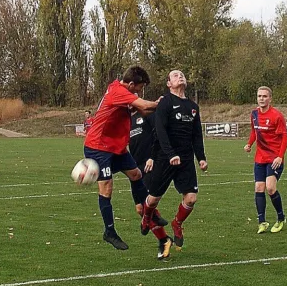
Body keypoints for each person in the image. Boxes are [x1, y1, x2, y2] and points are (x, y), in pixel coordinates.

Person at [84, 66, 164, 251]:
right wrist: (161, 103)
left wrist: (162, 107)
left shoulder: (123, 91)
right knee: (106, 188)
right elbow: (144, 106)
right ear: (130, 84)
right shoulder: (118, 91)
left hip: (116, 147)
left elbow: (144, 112)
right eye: (139, 88)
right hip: (99, 147)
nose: (139, 92)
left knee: (136, 174)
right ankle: (109, 231)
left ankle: (148, 213)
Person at [140, 70, 208, 251]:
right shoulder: (165, 103)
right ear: (169, 84)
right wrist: (170, 154)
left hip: (185, 158)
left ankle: (177, 223)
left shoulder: (193, 106)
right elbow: (160, 132)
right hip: (165, 157)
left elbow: (196, 135)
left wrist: (201, 158)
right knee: (153, 200)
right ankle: (147, 217)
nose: (181, 76)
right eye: (175, 75)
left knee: (191, 198)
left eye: (182, 75)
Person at [244, 86, 287, 234]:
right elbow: (254, 131)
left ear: (270, 98)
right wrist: (249, 144)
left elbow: (284, 137)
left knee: (270, 187)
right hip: (260, 158)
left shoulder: (277, 116)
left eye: (264, 96)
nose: (261, 98)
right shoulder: (254, 114)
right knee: (258, 188)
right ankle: (262, 222)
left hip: (274, 158)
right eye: (259, 96)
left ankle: (281, 218)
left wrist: (280, 156)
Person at [129, 109, 172, 260]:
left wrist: (152, 157)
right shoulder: (125, 119)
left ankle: (163, 239)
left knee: (147, 202)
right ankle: (163, 237)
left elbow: (158, 133)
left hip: (148, 164)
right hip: (134, 167)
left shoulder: (146, 114)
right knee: (140, 209)